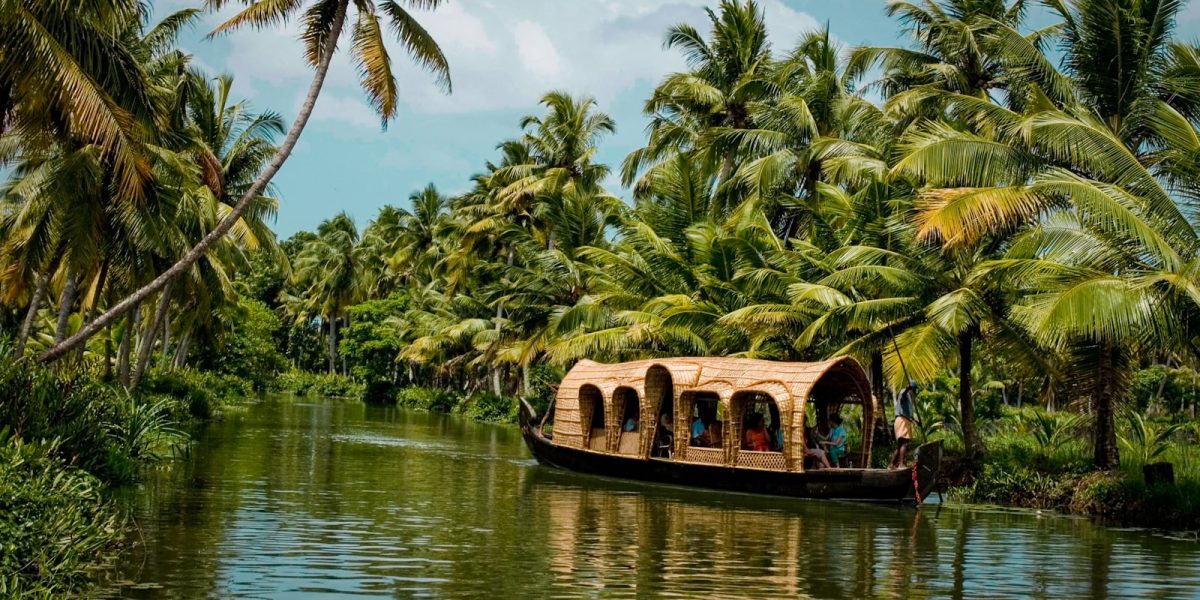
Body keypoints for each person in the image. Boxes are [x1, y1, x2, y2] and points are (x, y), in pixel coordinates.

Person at [891, 380, 917, 469]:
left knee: (900, 445)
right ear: (912, 388)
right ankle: (901, 465)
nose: (915, 392)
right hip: (902, 420)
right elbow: (903, 396)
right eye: (915, 389)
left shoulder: (910, 397)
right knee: (904, 443)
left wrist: (916, 421)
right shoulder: (905, 392)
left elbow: (908, 413)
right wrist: (907, 389)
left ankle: (892, 465)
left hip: (903, 420)